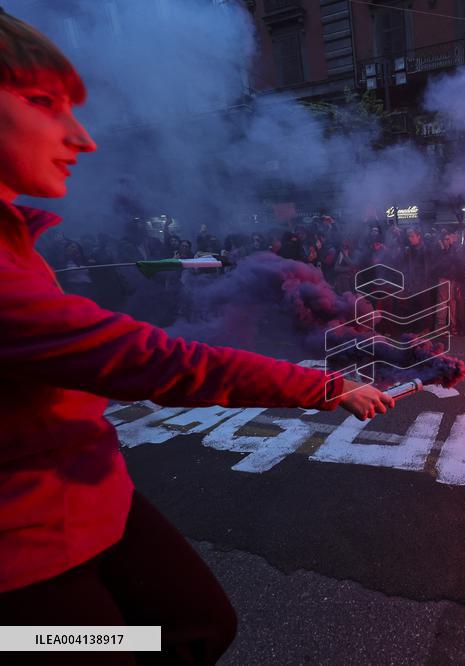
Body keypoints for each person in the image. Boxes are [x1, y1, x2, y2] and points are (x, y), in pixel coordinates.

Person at [0, 11, 394, 662]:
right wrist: (326, 388)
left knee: (199, 622)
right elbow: (156, 360)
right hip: (22, 551)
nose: (83, 138)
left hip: (95, 497)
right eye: (43, 102)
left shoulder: (18, 242)